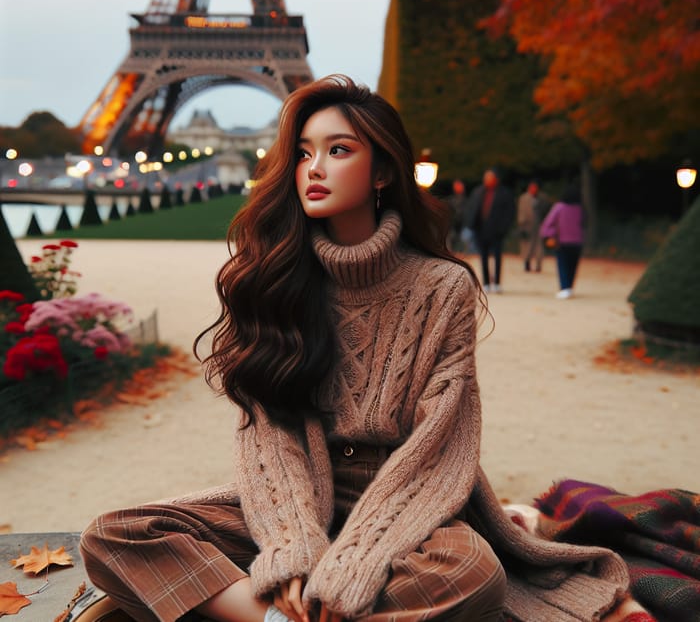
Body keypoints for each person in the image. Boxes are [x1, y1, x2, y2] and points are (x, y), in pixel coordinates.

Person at [80, 76, 629, 622]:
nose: (314, 168)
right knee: (115, 535)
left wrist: (356, 560)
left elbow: (440, 445)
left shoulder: (442, 288)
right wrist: (292, 547)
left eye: (338, 150)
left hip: (410, 503)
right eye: (302, 153)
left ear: (384, 171)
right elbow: (268, 433)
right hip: (297, 497)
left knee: (474, 574)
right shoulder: (276, 279)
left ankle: (278, 612)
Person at [464, 168, 515, 293]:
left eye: (490, 178)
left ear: (496, 179)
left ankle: (497, 283)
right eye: (486, 178)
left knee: (497, 257)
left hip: (497, 230)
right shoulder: (478, 191)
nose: (487, 180)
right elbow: (471, 208)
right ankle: (486, 283)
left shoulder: (505, 193)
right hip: (481, 230)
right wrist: (471, 225)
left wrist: (503, 228)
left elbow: (510, 213)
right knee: (483, 257)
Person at [539, 182, 585, 299]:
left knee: (563, 265)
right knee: (572, 265)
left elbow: (548, 223)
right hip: (577, 242)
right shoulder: (580, 208)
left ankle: (564, 288)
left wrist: (549, 235)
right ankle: (569, 287)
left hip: (562, 241)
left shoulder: (559, 207)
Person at [517, 179, 549, 272]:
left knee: (539, 246)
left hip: (539, 224)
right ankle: (527, 263)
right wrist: (521, 224)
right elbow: (521, 211)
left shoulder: (542, 198)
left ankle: (538, 264)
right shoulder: (524, 198)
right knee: (527, 246)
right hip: (527, 224)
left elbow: (545, 211)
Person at [446, 179, 468, 253]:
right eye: (456, 186)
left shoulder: (467, 201)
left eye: (459, 186)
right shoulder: (450, 200)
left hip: (464, 226)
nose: (458, 188)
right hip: (452, 226)